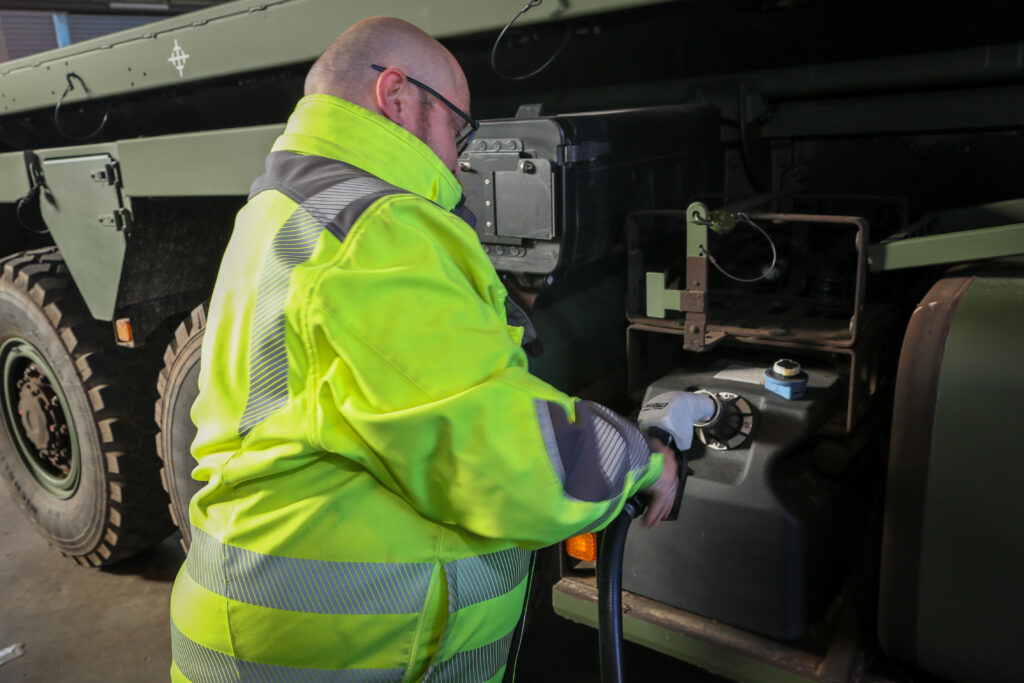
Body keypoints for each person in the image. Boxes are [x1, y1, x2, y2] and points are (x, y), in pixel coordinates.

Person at [169, 16, 678, 683]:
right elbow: (493, 449)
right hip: (329, 657)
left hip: (268, 631)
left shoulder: (283, 206)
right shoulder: (377, 228)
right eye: (458, 126)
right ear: (396, 97)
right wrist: (643, 460)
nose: (461, 156)